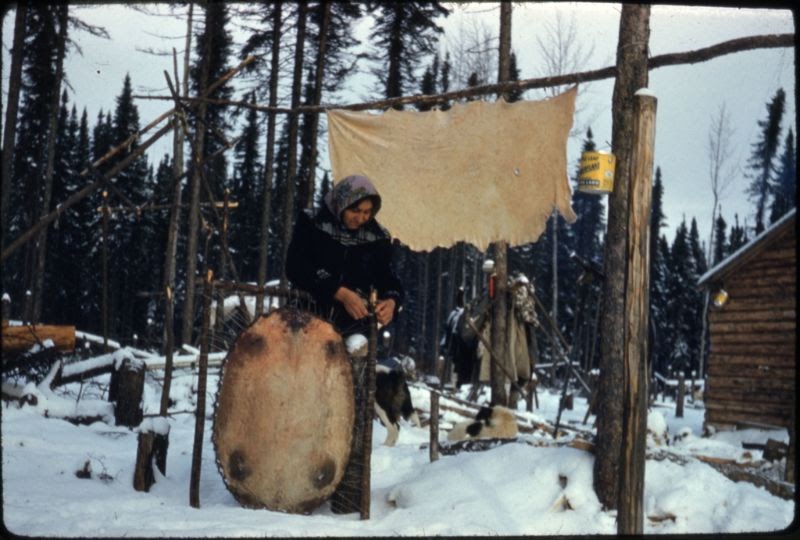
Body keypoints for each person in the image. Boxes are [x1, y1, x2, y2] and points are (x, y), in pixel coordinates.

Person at [286, 174, 403, 336]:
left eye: (367, 212)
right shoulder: (312, 223)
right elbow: (295, 266)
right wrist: (339, 292)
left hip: (352, 327)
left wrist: (392, 301)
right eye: (355, 210)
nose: (360, 218)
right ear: (341, 205)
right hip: (305, 315)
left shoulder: (378, 237)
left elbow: (387, 278)